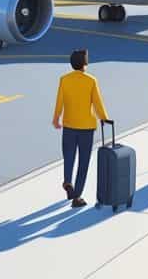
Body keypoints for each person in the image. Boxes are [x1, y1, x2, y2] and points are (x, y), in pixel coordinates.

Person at [53, 48, 109, 208]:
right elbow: (97, 103)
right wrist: (104, 118)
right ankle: (77, 196)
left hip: (69, 125)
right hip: (86, 127)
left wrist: (56, 118)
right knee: (83, 162)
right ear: (85, 64)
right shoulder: (91, 81)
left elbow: (59, 101)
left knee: (69, 156)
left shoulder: (64, 80)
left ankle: (67, 181)